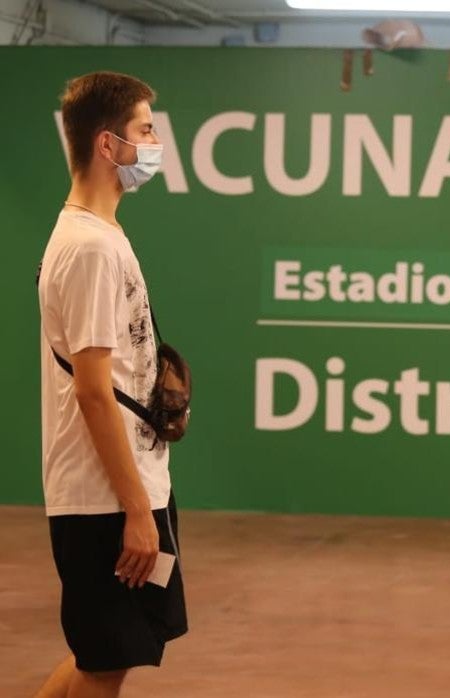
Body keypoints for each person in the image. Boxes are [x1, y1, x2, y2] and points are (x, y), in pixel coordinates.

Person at [34, 71, 187, 698]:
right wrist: (134, 512)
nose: (154, 145)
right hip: (105, 501)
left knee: (104, 655)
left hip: (122, 491)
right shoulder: (90, 247)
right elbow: (93, 391)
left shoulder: (97, 236)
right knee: (104, 661)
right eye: (145, 131)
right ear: (106, 144)